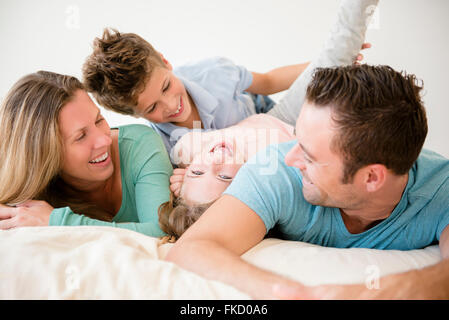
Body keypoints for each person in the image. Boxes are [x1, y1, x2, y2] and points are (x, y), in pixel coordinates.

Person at [166, 0, 449, 299]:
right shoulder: (276, 170)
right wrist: (295, 294)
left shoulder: (439, 189)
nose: (291, 157)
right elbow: (192, 250)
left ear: (372, 178)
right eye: (296, 139)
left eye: (309, 156)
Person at [81, 27, 368, 160]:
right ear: (136, 114)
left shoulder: (214, 72)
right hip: (241, 163)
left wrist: (326, 64)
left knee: (331, 121)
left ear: (165, 61)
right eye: (152, 107)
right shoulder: (162, 144)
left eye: (167, 86)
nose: (170, 105)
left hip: (266, 117)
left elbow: (268, 80)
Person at [0, 71, 173, 237]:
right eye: (81, 136)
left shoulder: (140, 144)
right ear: (44, 155)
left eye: (99, 120)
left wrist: (58, 221)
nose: (104, 140)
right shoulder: (31, 193)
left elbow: (161, 231)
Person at [159, 113, 295, 239]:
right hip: (289, 125)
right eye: (224, 177)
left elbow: (184, 144)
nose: (214, 161)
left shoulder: (192, 150)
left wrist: (185, 179)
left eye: (197, 172)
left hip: (265, 116)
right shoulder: (268, 164)